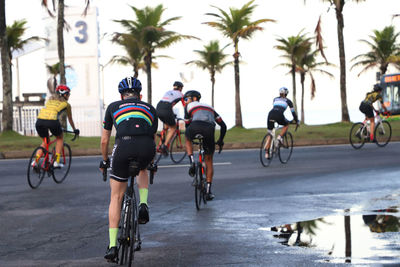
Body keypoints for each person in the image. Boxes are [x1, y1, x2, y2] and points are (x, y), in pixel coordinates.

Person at [99, 76, 158, 261]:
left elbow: (104, 140)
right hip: (146, 146)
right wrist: (150, 161)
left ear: (121, 95)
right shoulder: (150, 108)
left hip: (123, 147)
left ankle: (113, 246)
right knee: (143, 168)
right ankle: (143, 204)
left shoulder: (113, 107)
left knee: (116, 196)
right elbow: (152, 137)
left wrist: (104, 160)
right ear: (139, 95)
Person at [183, 90, 226, 200]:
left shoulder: (188, 107)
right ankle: (208, 190)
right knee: (209, 160)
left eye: (186, 99)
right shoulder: (209, 107)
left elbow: (187, 125)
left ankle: (192, 161)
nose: (185, 101)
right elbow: (223, 125)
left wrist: (192, 136)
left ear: (194, 99)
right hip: (209, 129)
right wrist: (220, 140)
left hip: (195, 126)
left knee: (187, 138)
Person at [33, 84, 79, 168]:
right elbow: (70, 119)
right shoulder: (66, 104)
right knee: (60, 138)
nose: (69, 96)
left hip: (39, 122)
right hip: (52, 121)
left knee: (45, 141)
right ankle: (56, 162)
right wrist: (75, 129)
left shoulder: (49, 101)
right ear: (64, 94)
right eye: (68, 94)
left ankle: (35, 162)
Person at [265, 87, 299, 159]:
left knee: (270, 133)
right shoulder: (288, 101)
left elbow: (276, 107)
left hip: (270, 114)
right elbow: (293, 113)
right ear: (286, 93)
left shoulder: (275, 99)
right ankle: (280, 137)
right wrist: (296, 121)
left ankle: (267, 153)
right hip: (279, 115)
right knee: (286, 124)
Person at [156, 81, 185, 155]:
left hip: (159, 107)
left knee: (166, 126)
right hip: (166, 109)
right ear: (180, 88)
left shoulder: (168, 92)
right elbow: (185, 106)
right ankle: (165, 146)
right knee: (173, 127)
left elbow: (168, 102)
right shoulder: (181, 94)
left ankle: (159, 144)